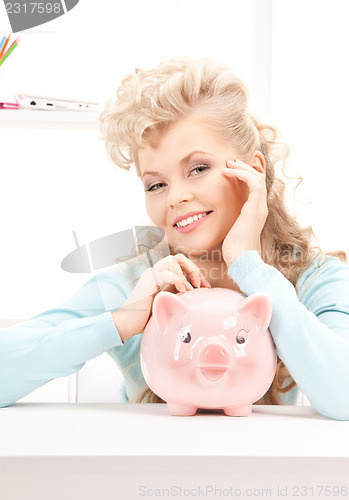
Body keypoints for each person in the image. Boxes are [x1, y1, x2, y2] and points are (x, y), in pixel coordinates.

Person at [1, 57, 348, 420]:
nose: (174, 198)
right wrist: (121, 322)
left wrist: (250, 268)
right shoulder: (135, 288)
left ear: (252, 172)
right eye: (156, 184)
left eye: (198, 168)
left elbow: (344, 396)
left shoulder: (314, 280)